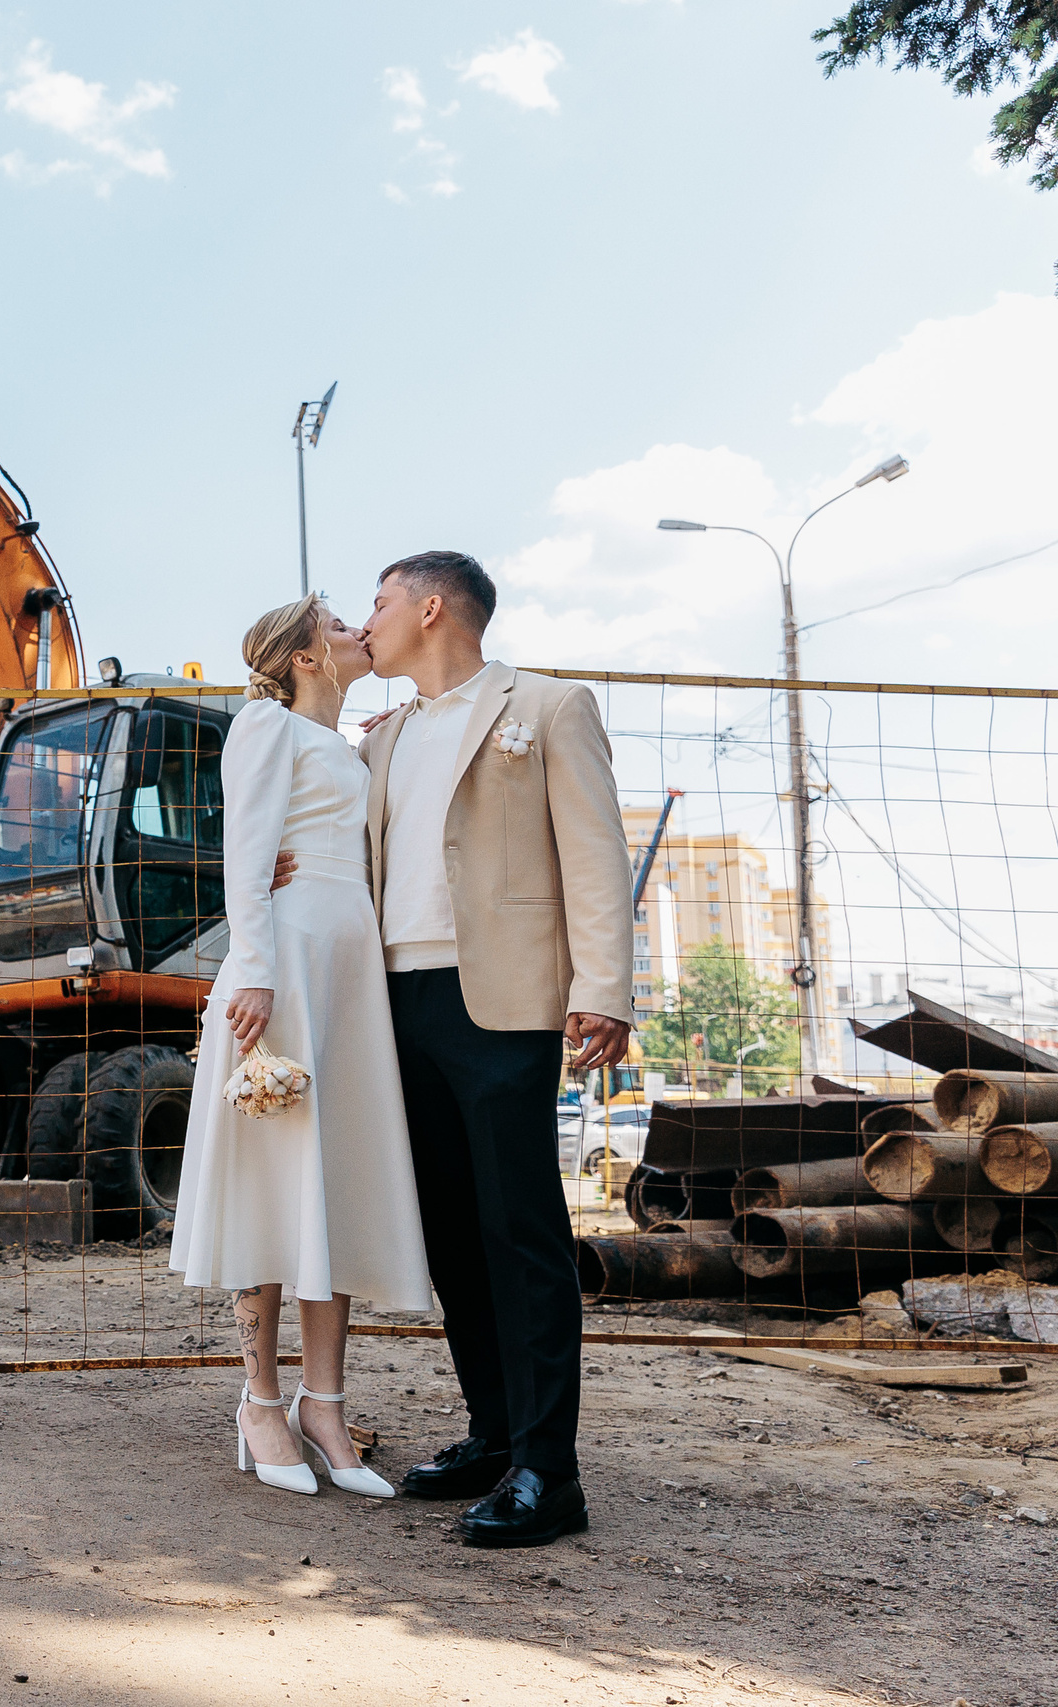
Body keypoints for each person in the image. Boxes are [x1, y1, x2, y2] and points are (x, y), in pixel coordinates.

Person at [355, 550, 633, 1549]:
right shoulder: (381, 740)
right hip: (397, 1000)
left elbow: (595, 852)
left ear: (432, 608)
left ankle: (548, 1472)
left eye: (378, 601)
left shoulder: (548, 707)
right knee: (449, 1235)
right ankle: (493, 1434)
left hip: (504, 1004)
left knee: (519, 1231)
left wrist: (603, 989)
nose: (366, 619)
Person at [171, 595, 433, 1500]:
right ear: (306, 653)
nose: (363, 629)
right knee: (272, 1180)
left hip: (347, 964)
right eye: (341, 622)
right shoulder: (263, 723)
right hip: (281, 969)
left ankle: (326, 1403)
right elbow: (244, 853)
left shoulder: (354, 740)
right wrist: (251, 969)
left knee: (331, 1180)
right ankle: (259, 1402)